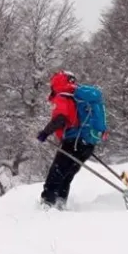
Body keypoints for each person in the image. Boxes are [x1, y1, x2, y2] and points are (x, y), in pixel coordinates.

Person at [36, 70, 96, 209]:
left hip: (73, 142)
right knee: (66, 175)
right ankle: (60, 204)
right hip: (87, 143)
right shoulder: (76, 98)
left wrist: (45, 133)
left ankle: (47, 204)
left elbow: (61, 118)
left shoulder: (63, 97)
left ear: (56, 84)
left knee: (56, 173)